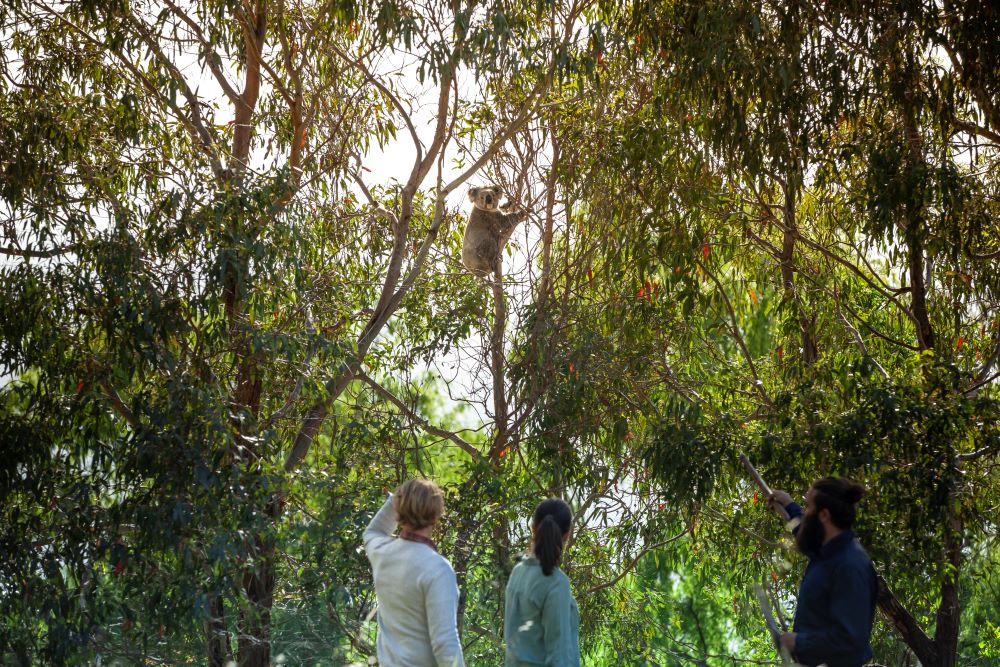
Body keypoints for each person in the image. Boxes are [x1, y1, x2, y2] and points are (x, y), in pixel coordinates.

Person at [767, 477, 878, 667]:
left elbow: (850, 640)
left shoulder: (850, 566)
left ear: (824, 515)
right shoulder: (827, 550)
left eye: (807, 507)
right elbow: (803, 530)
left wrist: (798, 642)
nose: (804, 512)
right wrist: (787, 505)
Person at [364, 479, 464, 667]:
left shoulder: (382, 552)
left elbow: (373, 531)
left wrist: (398, 498)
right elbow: (445, 642)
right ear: (437, 514)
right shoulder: (438, 569)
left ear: (399, 510)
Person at [504, 498, 580, 667]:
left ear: (533, 528)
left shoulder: (518, 572)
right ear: (567, 535)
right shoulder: (556, 582)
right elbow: (559, 656)